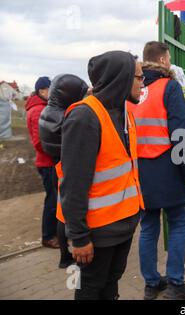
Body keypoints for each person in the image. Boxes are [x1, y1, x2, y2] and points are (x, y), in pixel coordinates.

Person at [58, 51, 145, 300]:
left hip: (123, 225)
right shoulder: (84, 117)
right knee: (88, 288)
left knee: (110, 284)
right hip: (95, 233)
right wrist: (78, 236)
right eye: (138, 77)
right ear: (121, 78)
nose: (142, 83)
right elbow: (73, 185)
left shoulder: (125, 115)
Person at [130, 41, 185, 300]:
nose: (169, 62)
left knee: (148, 227)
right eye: (168, 58)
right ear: (161, 60)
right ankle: (175, 283)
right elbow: (181, 134)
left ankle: (151, 283)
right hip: (168, 169)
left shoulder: (134, 90)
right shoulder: (168, 87)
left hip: (140, 171)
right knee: (178, 223)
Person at [39, 74, 89, 268]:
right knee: (65, 212)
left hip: (55, 165)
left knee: (61, 211)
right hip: (64, 167)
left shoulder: (48, 111)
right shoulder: (64, 116)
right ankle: (66, 256)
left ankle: (64, 255)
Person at [25, 76, 59, 249]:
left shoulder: (41, 107)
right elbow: (40, 142)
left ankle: (55, 233)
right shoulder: (39, 110)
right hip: (47, 163)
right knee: (52, 200)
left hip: (48, 162)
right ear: (42, 91)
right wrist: (56, 153)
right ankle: (48, 236)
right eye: (50, 88)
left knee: (55, 198)